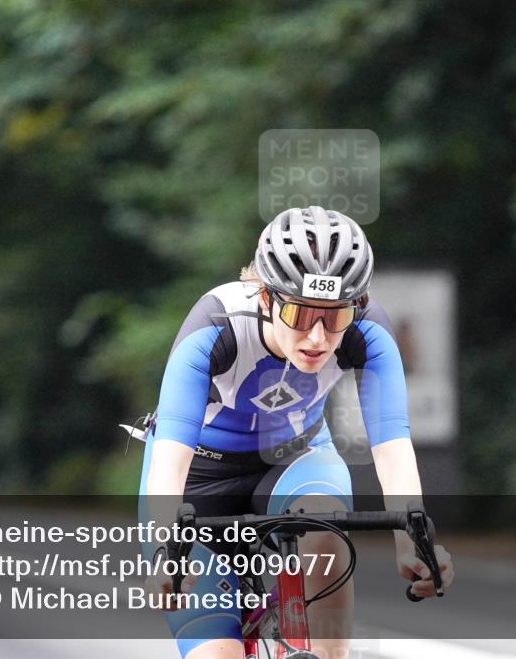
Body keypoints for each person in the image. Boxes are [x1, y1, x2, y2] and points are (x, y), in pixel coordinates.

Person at [137, 206, 454, 659]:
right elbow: (170, 462)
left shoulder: (369, 330)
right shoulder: (217, 325)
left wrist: (414, 543)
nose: (319, 337)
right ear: (265, 298)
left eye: (335, 316)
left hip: (296, 461)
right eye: (301, 315)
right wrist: (166, 555)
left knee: (324, 532)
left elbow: (392, 448)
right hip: (198, 478)